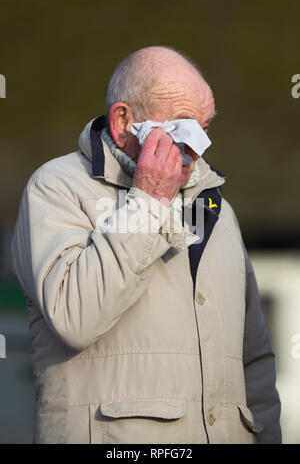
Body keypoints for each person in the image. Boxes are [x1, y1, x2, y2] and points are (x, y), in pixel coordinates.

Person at [11, 46, 281, 444]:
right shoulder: (55, 187)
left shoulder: (219, 210)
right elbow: (75, 318)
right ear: (124, 120)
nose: (199, 148)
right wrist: (149, 202)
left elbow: (253, 361)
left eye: (206, 129)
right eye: (185, 127)